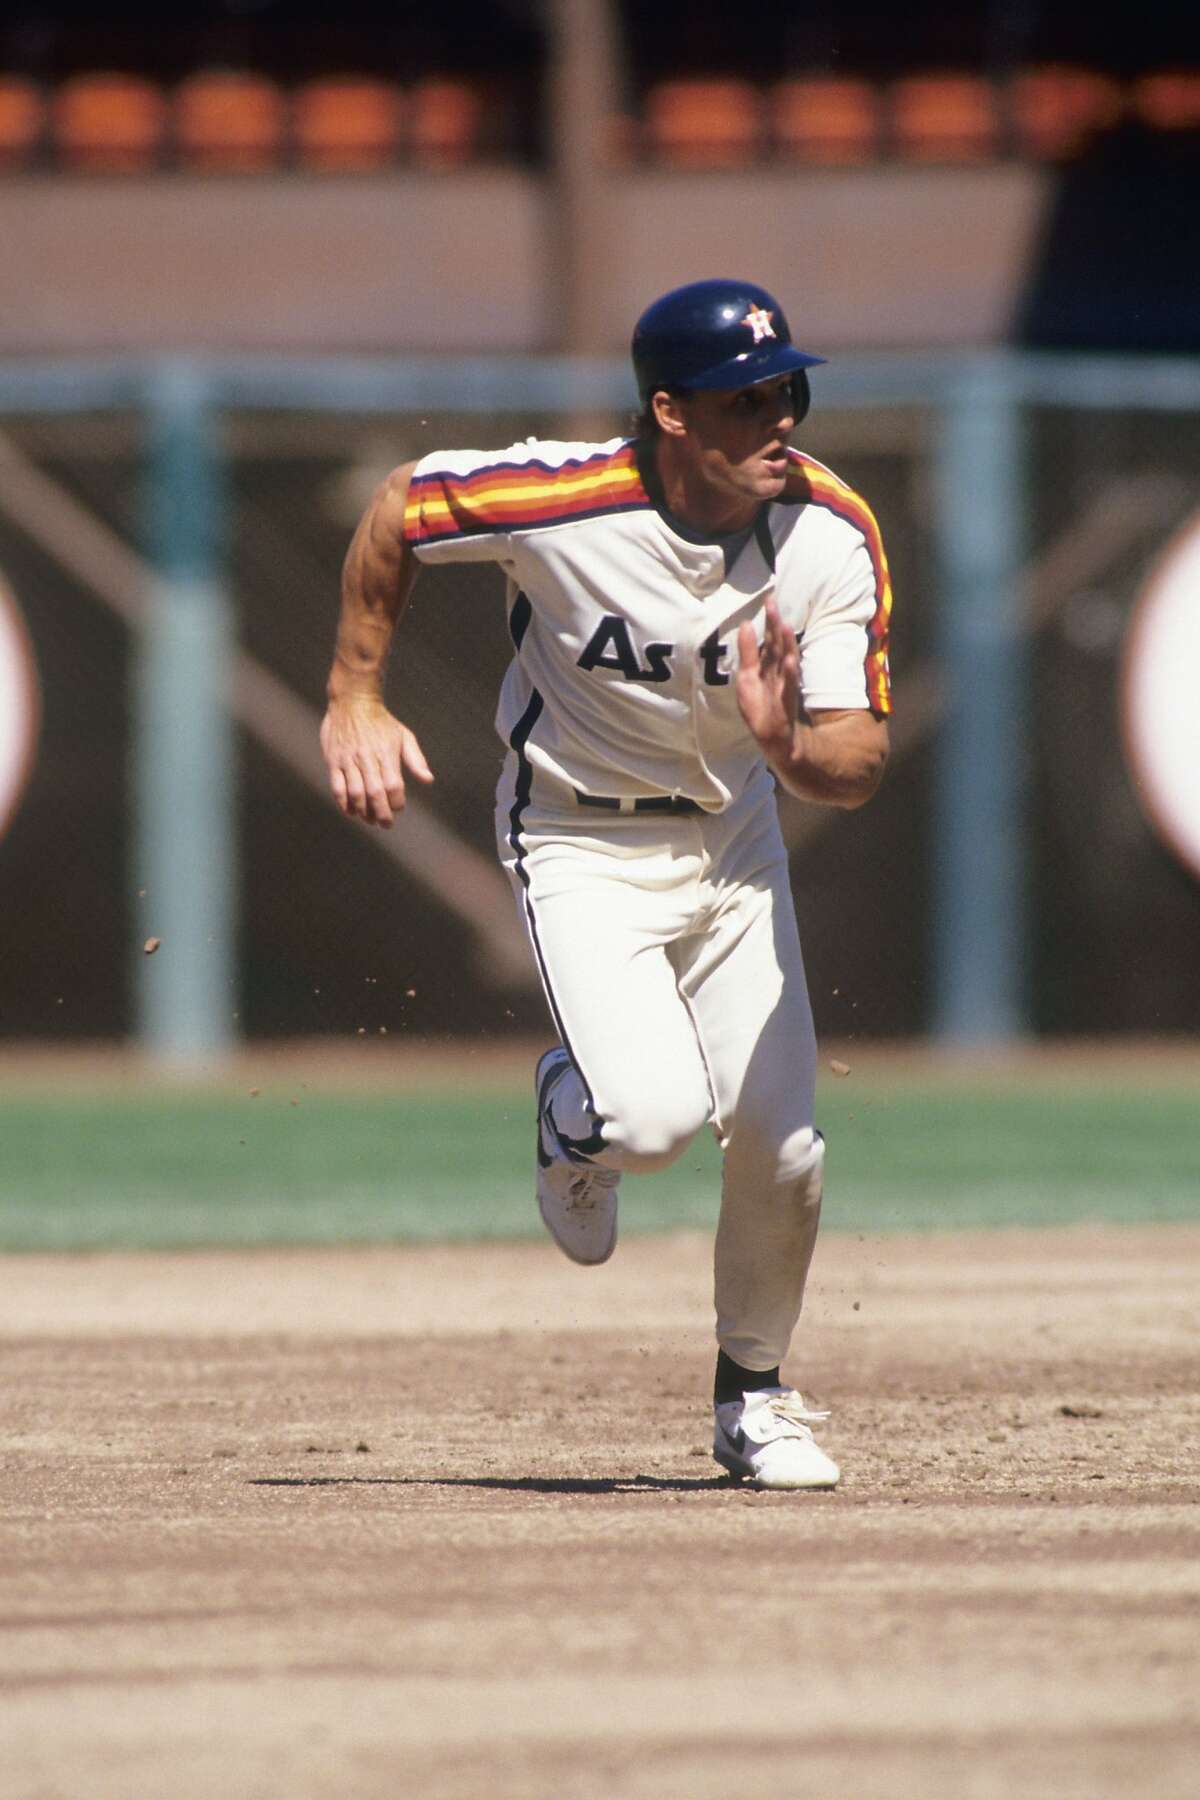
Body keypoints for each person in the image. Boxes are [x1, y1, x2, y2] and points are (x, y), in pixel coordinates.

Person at [320, 278, 892, 1491]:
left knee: (785, 1150)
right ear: (672, 412)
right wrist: (355, 695)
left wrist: (789, 744)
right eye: (749, 399)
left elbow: (856, 766)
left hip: (735, 842)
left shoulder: (830, 534)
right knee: (652, 1122)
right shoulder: (560, 497)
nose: (780, 416)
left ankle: (755, 1399)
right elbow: (400, 510)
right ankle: (569, 1113)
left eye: (789, 389)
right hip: (576, 835)